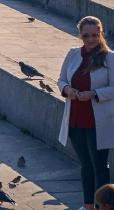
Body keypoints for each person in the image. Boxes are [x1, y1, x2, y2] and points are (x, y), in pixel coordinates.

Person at [58, 16, 114, 210]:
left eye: (94, 35)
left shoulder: (109, 57)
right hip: (75, 118)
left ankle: (103, 206)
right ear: (80, 35)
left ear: (101, 34)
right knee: (85, 166)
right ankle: (88, 206)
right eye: (86, 36)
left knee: (100, 166)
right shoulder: (73, 54)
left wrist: (93, 94)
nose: (91, 40)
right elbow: (61, 80)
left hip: (97, 120)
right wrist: (68, 90)